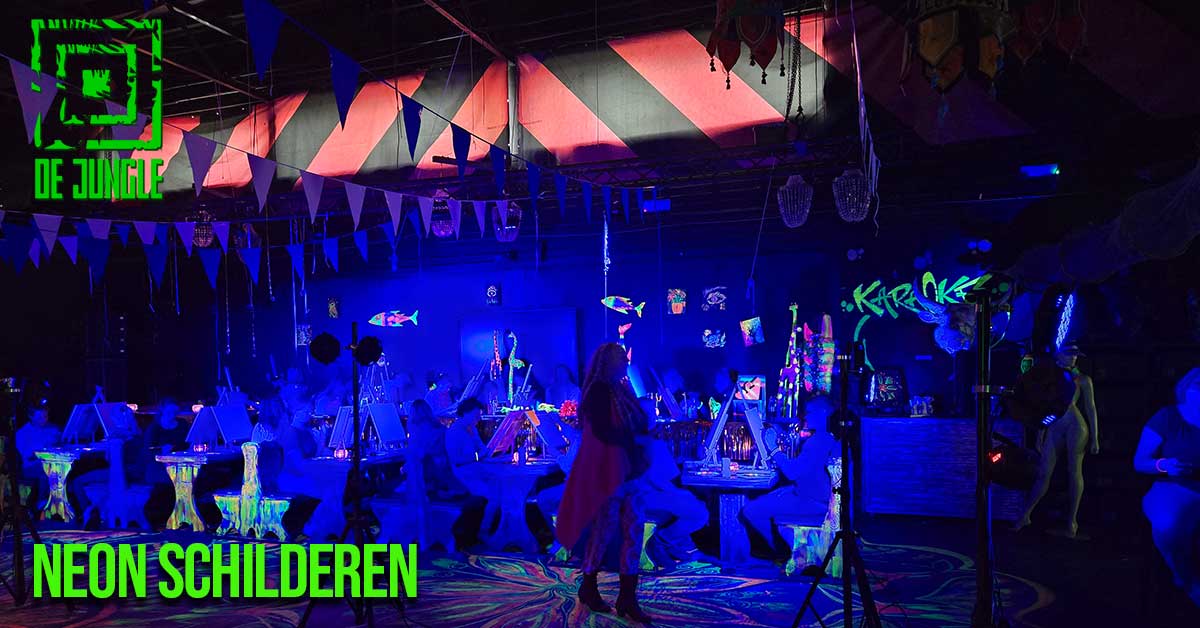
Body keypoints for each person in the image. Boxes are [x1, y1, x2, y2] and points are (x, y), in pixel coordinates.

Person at [556, 343, 652, 622]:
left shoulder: (620, 389)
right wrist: (634, 436)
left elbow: (636, 423)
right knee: (604, 530)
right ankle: (590, 586)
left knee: (633, 530)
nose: (625, 363)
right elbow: (602, 431)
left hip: (629, 470)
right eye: (621, 359)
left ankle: (627, 597)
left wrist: (637, 433)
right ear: (609, 362)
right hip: (609, 471)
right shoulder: (598, 391)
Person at [1014, 344, 1099, 537]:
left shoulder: (1082, 380)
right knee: (1044, 473)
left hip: (1075, 426)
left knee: (1074, 472)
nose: (1074, 358)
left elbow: (1091, 408)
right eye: (1070, 354)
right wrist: (1041, 430)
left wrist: (1095, 438)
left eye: (1075, 355)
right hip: (1055, 425)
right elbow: (1045, 408)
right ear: (1060, 355)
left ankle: (1072, 522)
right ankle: (1025, 515)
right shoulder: (1051, 378)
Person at [1134, 367, 1200, 606]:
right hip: (1173, 486)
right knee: (1169, 523)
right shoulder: (1168, 417)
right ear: (1186, 388)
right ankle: (1189, 582)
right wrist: (1164, 465)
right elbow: (1140, 462)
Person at [742, 396, 838, 558]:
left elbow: (791, 472)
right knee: (768, 497)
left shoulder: (817, 441)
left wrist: (773, 448)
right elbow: (813, 474)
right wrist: (793, 488)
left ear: (822, 413)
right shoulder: (825, 438)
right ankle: (780, 549)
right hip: (815, 497)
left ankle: (779, 551)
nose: (805, 417)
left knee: (750, 509)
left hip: (815, 502)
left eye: (809, 412)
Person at [634, 430, 710, 566]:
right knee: (698, 511)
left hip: (631, 495)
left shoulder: (619, 442)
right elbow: (662, 481)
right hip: (641, 497)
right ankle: (661, 541)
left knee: (691, 503)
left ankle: (680, 546)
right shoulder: (653, 445)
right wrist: (684, 494)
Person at [445, 398, 499, 538]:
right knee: (494, 495)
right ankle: (484, 531)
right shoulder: (454, 432)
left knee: (502, 487)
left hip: (476, 470)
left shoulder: (471, 429)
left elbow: (481, 450)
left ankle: (497, 529)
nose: (478, 418)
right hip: (464, 474)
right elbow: (456, 459)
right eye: (476, 415)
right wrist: (477, 457)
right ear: (465, 413)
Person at [142, 399, 188, 483]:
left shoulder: (183, 424)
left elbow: (188, 442)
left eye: (175, 412)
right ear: (162, 410)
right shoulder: (154, 428)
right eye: (169, 412)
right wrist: (161, 451)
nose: (172, 415)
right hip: (159, 465)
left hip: (181, 461)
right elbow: (147, 452)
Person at [16, 403, 60, 479]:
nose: (44, 420)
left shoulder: (53, 428)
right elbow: (29, 456)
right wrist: (46, 449)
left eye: (46, 416)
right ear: (31, 416)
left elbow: (60, 444)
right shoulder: (22, 433)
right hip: (32, 466)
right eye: (40, 417)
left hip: (52, 462)